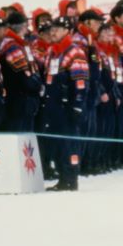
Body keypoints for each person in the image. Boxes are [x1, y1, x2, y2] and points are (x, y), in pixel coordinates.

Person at [41, 17, 89, 191]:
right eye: (52, 29)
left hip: (68, 108)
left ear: (67, 31)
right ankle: (63, 177)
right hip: (54, 108)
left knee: (70, 143)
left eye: (58, 29)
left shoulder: (75, 52)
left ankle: (71, 178)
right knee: (57, 143)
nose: (53, 32)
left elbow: (81, 82)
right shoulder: (52, 52)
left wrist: (77, 105)